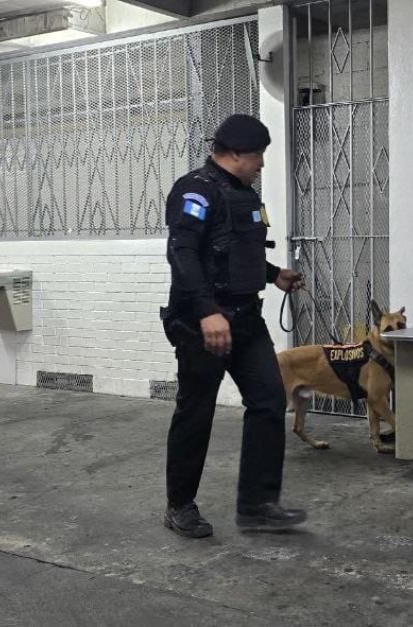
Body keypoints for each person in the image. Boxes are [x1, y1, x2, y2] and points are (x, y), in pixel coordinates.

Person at [160, 114, 306, 538]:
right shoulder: (195, 191)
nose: (261, 163)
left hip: (245, 320)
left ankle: (259, 505)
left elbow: (232, 252)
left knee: (268, 399)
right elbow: (183, 254)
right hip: (202, 323)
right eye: (258, 155)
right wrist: (207, 311)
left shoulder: (242, 194)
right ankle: (179, 506)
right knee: (196, 411)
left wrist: (273, 273)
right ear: (237, 153)